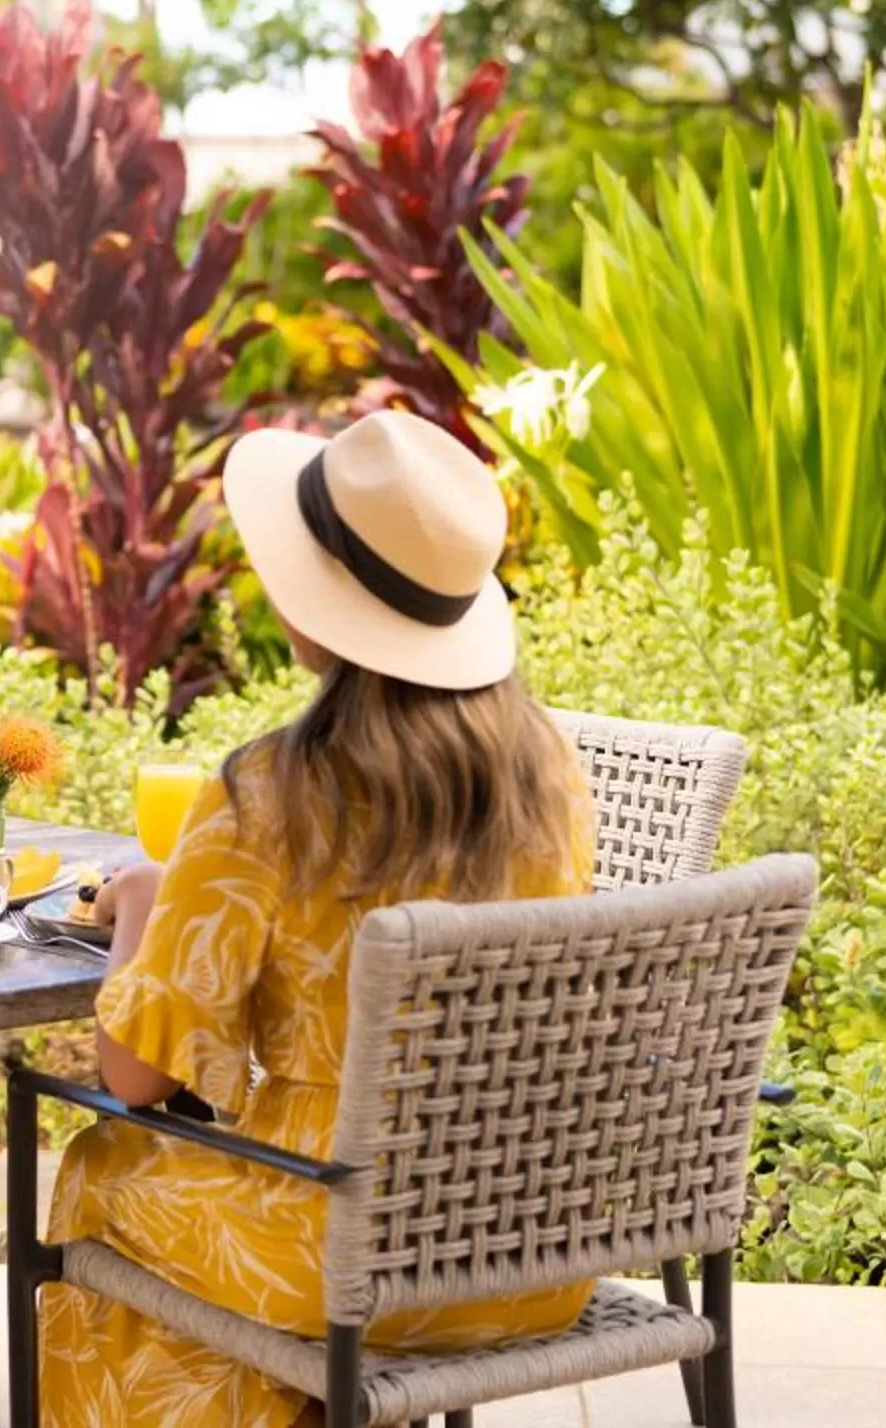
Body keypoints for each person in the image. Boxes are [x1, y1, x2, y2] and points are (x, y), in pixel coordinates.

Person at [39, 409, 595, 1427]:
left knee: (98, 1171)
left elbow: (134, 1078)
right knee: (218, 1255)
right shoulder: (548, 774)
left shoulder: (268, 793)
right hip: (529, 1254)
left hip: (344, 1250)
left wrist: (148, 903)